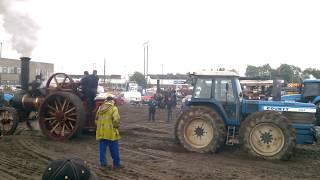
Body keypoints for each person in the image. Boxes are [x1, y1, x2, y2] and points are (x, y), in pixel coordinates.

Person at [95, 96, 123, 169]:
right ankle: (116, 164)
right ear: (112, 101)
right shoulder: (114, 108)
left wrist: (100, 127)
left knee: (102, 149)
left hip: (101, 132)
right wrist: (115, 127)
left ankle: (103, 164)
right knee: (114, 149)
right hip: (111, 133)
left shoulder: (100, 108)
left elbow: (96, 120)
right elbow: (116, 120)